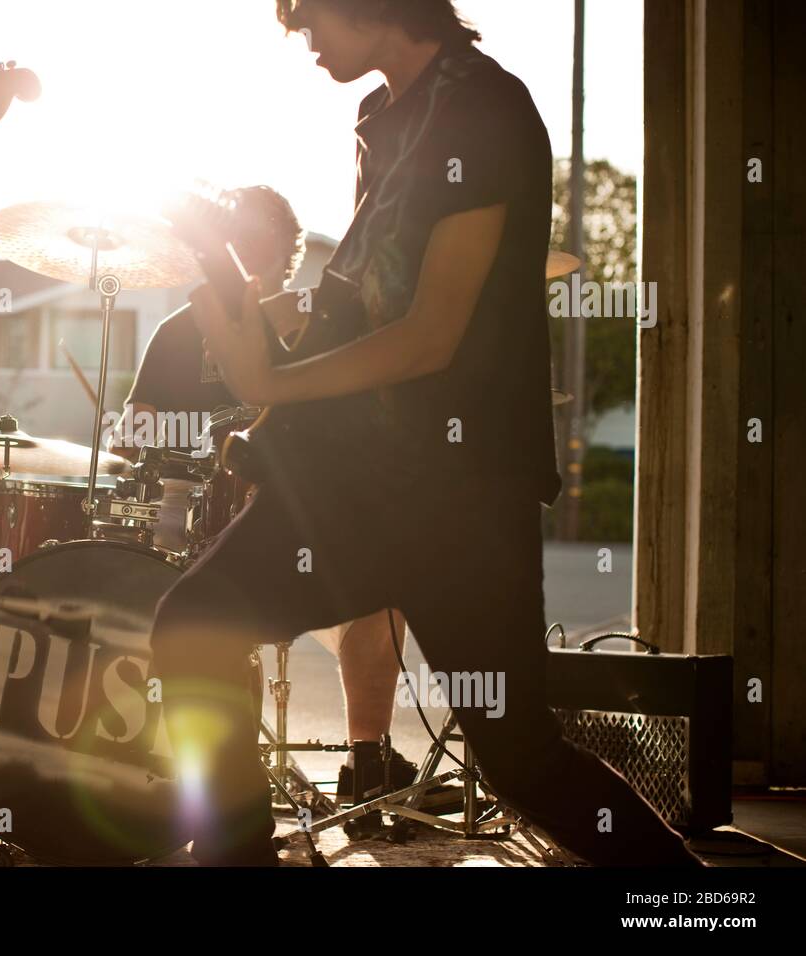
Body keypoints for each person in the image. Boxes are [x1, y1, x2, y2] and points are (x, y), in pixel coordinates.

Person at [149, 0, 704, 867]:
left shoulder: (486, 109)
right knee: (194, 629)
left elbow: (430, 335)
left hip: (461, 490)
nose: (303, 41)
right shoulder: (381, 119)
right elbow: (365, 299)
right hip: (355, 478)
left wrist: (277, 383)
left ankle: (694, 904)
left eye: (309, 19)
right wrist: (216, 261)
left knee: (517, 756)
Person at [111, 185, 417, 801]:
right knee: (193, 609)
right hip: (193, 518)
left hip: (305, 520)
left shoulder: (322, 326)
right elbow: (132, 437)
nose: (246, 250)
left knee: (385, 594)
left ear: (289, 254)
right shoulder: (177, 332)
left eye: (260, 239)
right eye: (236, 238)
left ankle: (367, 760)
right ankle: (218, 782)